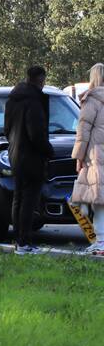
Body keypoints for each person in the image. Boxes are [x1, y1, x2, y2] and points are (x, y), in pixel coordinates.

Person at [4, 65, 53, 255]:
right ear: (41, 80)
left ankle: (18, 240)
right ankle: (25, 241)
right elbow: (36, 133)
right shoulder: (34, 101)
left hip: (15, 153)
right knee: (29, 201)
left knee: (18, 198)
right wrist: (48, 150)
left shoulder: (13, 99)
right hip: (32, 156)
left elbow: (7, 129)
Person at [72, 63, 104, 255]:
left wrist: (78, 157)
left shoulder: (91, 99)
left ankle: (100, 241)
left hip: (95, 156)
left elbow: (83, 131)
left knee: (97, 199)